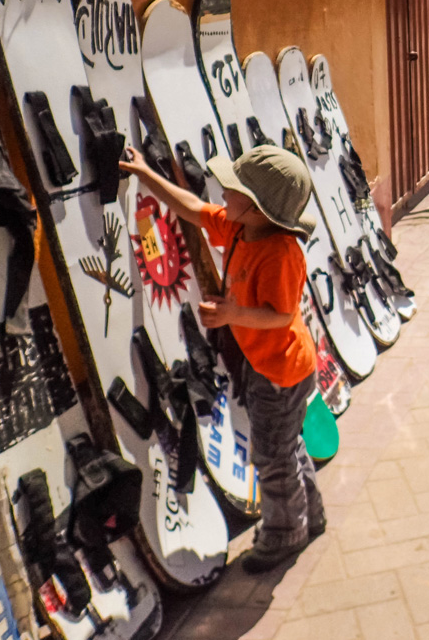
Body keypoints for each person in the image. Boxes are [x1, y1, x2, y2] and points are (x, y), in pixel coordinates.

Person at [120, 144, 326, 573]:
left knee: (272, 456)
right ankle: (310, 515)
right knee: (285, 445)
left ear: (253, 207)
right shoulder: (237, 228)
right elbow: (192, 207)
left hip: (280, 372)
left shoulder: (281, 253)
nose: (222, 194)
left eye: (231, 190)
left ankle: (286, 534)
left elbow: (282, 315)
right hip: (265, 366)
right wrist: (144, 174)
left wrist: (232, 314)